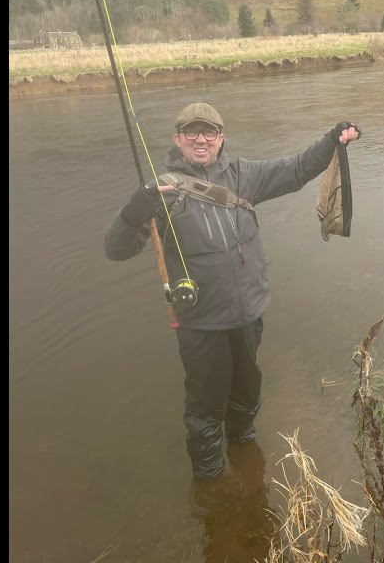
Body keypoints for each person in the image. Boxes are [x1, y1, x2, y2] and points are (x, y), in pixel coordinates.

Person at [104, 102, 360, 517]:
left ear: (221, 138)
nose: (201, 139)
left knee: (247, 387)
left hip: (248, 313)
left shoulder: (244, 175)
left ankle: (243, 445)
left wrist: (332, 140)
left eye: (209, 132)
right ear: (177, 139)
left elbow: (297, 169)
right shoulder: (159, 192)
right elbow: (116, 250)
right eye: (192, 132)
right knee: (205, 405)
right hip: (200, 323)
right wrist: (132, 212)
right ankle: (209, 481)